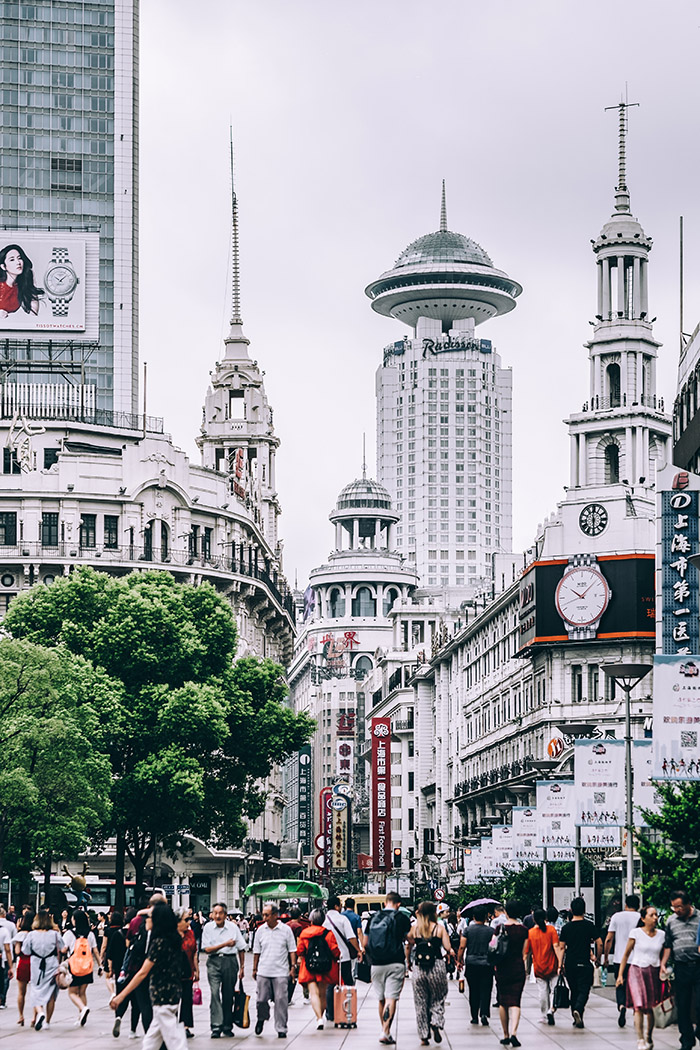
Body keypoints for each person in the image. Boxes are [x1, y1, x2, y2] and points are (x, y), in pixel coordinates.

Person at [111, 902, 188, 1050]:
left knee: (175, 1043)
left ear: (157, 920)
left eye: (150, 917)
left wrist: (121, 996)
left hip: (162, 997)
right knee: (151, 1042)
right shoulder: (172, 939)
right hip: (169, 995)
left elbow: (142, 973)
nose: (145, 920)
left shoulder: (159, 943)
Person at [364, 891, 412, 1045]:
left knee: (381, 998)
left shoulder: (374, 917)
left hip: (376, 964)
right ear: (398, 904)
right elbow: (410, 939)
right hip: (395, 962)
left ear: (386, 902)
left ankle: (384, 1029)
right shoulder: (401, 918)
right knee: (391, 998)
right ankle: (385, 1031)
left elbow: (365, 943)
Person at [616, 904, 664, 1050]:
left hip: (654, 972)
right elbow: (626, 955)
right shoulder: (635, 933)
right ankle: (640, 1039)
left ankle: (648, 1035)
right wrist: (620, 975)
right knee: (638, 1006)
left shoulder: (662, 934)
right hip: (636, 971)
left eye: (656, 915)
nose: (655, 918)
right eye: (651, 915)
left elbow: (663, 956)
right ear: (643, 918)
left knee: (650, 1007)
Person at [406, 900, 453, 1045]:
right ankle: (436, 1022)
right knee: (438, 997)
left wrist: (408, 962)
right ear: (434, 913)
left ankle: (423, 1036)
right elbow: (447, 947)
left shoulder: (415, 929)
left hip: (419, 967)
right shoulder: (439, 928)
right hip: (437, 966)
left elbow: (409, 945)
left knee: (420, 1002)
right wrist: (450, 954)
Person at [661, 889, 700, 1050]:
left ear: (688, 904)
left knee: (699, 1004)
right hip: (681, 966)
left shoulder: (699, 918)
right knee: (682, 1005)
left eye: (679, 907)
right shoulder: (671, 921)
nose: (677, 910)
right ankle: (686, 1039)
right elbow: (668, 944)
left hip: (698, 966)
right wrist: (663, 963)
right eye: (673, 907)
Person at [202, 900, 246, 1039]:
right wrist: (225, 944)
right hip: (214, 962)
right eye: (215, 913)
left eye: (220, 913)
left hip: (230, 961)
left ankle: (227, 1025)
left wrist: (242, 967)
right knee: (214, 993)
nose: (217, 916)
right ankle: (216, 1026)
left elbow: (241, 948)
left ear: (225, 914)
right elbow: (207, 949)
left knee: (228, 994)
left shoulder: (233, 928)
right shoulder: (208, 928)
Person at [253, 901, 298, 1038]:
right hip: (263, 970)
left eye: (267, 915)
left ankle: (281, 1028)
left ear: (275, 915)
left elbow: (292, 950)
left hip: (281, 971)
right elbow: (256, 951)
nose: (264, 918)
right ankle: (262, 1018)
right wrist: (254, 968)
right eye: (263, 915)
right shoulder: (260, 930)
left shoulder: (286, 930)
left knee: (281, 1000)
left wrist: (292, 967)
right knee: (261, 999)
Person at [559, 896, 603, 1029]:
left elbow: (561, 947)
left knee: (574, 990)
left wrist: (560, 964)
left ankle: (576, 1015)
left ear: (571, 910)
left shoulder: (566, 928)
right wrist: (597, 957)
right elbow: (599, 943)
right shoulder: (589, 926)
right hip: (584, 963)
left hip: (570, 963)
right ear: (584, 910)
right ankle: (578, 1009)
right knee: (584, 990)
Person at [296, 908, 340, 1029]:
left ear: (310, 920)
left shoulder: (304, 934)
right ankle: (321, 1015)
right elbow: (335, 950)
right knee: (322, 994)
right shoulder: (328, 933)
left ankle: (319, 1018)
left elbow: (300, 950)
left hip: (309, 967)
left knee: (313, 994)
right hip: (325, 967)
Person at [493, 899, 529, 1047]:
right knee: (515, 1001)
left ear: (506, 912)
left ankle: (506, 1034)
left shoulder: (500, 929)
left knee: (503, 1002)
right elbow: (525, 954)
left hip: (502, 968)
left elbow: (493, 947)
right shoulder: (524, 930)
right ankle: (514, 1032)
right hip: (517, 968)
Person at [22, 909, 64, 1032]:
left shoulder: (31, 935)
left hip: (36, 966)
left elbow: (26, 951)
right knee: (51, 994)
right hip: (52, 965)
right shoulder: (55, 934)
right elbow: (63, 948)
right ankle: (47, 1022)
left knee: (36, 990)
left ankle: (40, 1012)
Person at [604, 893, 641, 1028]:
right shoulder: (641, 918)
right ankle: (635, 1008)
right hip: (637, 959)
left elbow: (609, 939)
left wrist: (606, 957)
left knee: (620, 985)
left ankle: (621, 1005)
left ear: (625, 904)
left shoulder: (616, 917)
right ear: (638, 906)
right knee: (635, 986)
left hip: (620, 958)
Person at [323, 896, 360, 1021]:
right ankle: (347, 1009)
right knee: (347, 982)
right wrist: (359, 950)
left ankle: (330, 1013)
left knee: (330, 984)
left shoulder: (323, 920)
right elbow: (351, 937)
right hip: (344, 956)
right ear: (336, 906)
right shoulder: (342, 919)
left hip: (328, 958)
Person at [64, 908, 102, 1027]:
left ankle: (83, 1008)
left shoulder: (69, 934)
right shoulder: (90, 934)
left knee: (72, 992)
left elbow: (63, 949)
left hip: (74, 966)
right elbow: (95, 950)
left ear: (75, 920)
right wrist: (100, 965)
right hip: (87, 966)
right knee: (82, 992)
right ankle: (81, 1016)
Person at [457, 905, 494, 1026]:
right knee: (486, 989)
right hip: (487, 964)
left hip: (472, 963)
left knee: (473, 990)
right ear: (485, 917)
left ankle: (474, 1016)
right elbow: (494, 947)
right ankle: (484, 1013)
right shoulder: (491, 931)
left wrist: (459, 960)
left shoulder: (468, 930)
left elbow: (462, 946)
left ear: (473, 917)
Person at [526, 908, 562, 1025]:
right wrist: (560, 964)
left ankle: (544, 1013)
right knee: (553, 990)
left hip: (539, 966)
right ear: (546, 918)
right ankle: (551, 1009)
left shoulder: (530, 933)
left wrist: (524, 968)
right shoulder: (551, 930)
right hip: (552, 964)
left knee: (542, 991)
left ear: (533, 919)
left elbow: (527, 952)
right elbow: (556, 947)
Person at [0, 243, 43, 316]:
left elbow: (34, 312)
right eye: (12, 259)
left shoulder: (21, 285)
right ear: (3, 266)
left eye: (19, 258)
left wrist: (31, 277)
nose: (18, 262)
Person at [176, 908, 199, 1040]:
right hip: (173, 974)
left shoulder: (190, 933)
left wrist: (196, 970)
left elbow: (194, 952)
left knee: (187, 1000)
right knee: (173, 1001)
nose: (188, 922)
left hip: (188, 972)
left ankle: (185, 1026)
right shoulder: (171, 934)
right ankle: (173, 1026)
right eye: (185, 920)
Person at [13, 910, 34, 1027]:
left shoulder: (20, 935)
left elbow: (17, 951)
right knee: (36, 991)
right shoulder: (36, 933)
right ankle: (35, 1017)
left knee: (21, 992)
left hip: (23, 962)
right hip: (35, 962)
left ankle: (21, 1016)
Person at [0, 909, 14, 1010]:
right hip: (4, 957)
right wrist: (11, 965)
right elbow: (8, 948)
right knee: (4, 979)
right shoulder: (9, 926)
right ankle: (2, 999)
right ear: (4, 915)